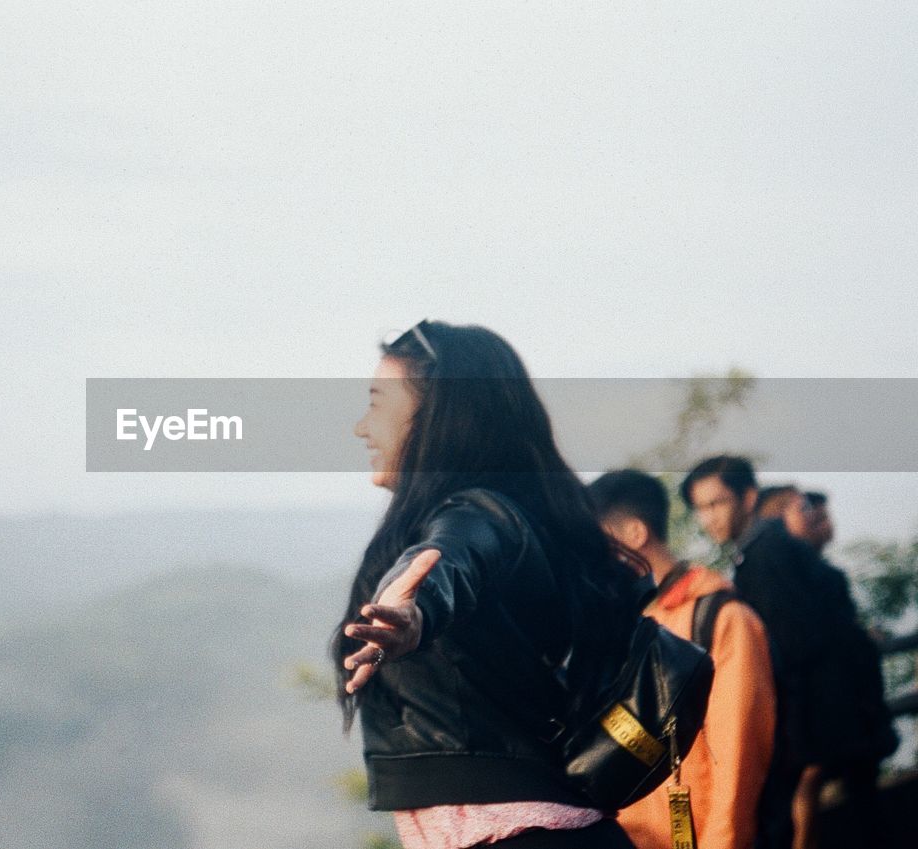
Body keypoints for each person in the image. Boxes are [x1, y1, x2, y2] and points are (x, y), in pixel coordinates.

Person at [332, 319, 646, 849]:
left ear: (437, 415)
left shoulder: (480, 513)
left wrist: (416, 614)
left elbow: (454, 557)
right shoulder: (525, 516)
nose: (362, 428)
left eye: (378, 403)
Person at [679, 458, 897, 849]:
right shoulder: (766, 548)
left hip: (821, 713)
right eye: (701, 508)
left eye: (717, 504)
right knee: (864, 814)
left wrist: (789, 726)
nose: (708, 518)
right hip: (835, 711)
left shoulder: (765, 554)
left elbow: (797, 644)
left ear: (747, 497)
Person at [588, 469, 776, 849]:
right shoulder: (630, 622)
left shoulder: (721, 619)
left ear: (633, 535)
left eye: (596, 545)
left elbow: (738, 754)